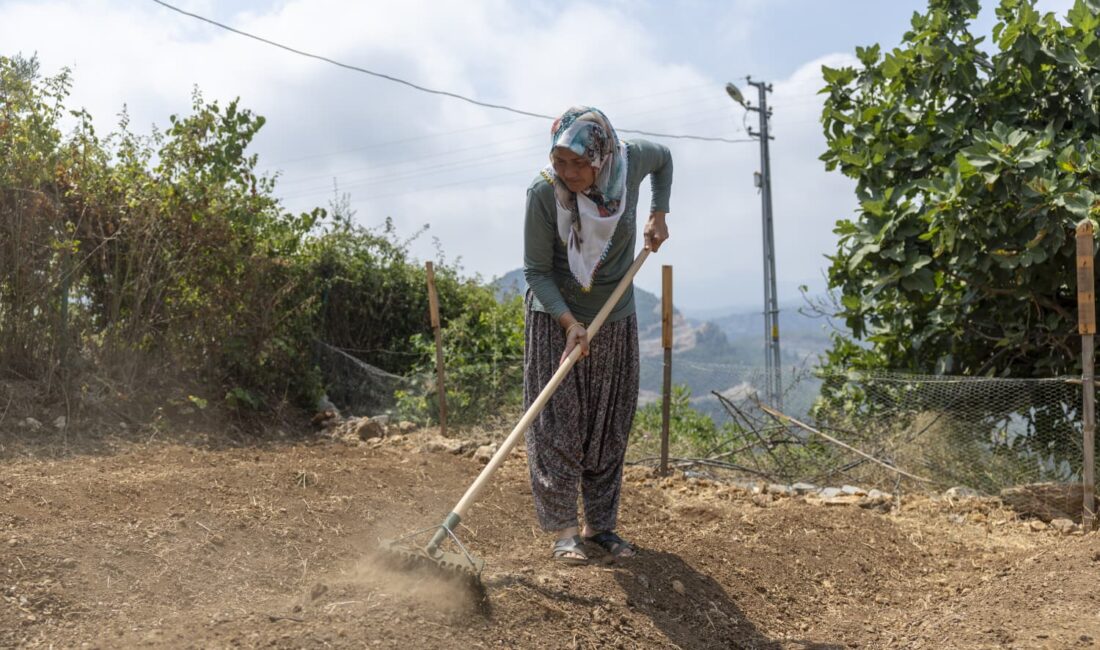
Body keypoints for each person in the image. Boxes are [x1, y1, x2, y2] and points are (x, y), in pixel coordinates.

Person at [523, 106, 672, 564]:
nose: (568, 173)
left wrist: (658, 213)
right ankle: (565, 531)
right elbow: (536, 271)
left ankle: (601, 527)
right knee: (558, 427)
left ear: (602, 156)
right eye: (560, 161)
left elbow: (665, 157)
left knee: (608, 426)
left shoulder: (629, 165)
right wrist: (570, 323)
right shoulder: (544, 195)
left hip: (615, 316)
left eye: (579, 163)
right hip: (556, 318)